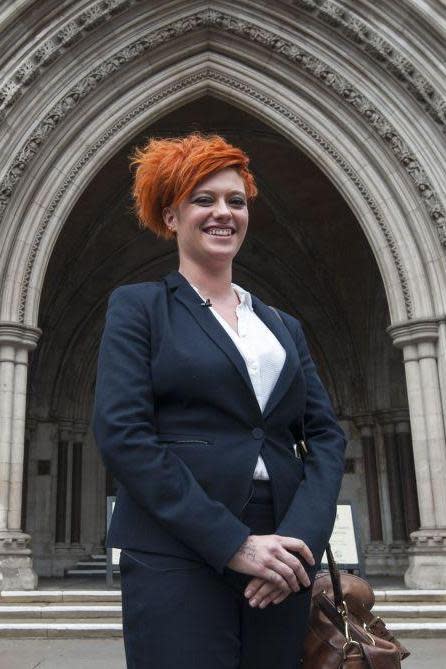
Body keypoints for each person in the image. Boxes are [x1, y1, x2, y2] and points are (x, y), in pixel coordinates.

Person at [92, 132, 347, 668]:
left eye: (236, 200)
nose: (222, 213)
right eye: (202, 200)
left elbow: (325, 434)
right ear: (170, 216)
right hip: (177, 545)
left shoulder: (281, 326)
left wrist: (297, 545)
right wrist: (233, 543)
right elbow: (123, 434)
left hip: (280, 552)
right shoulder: (139, 308)